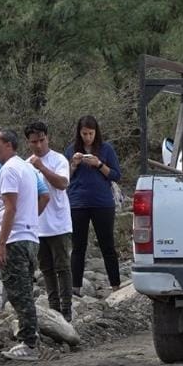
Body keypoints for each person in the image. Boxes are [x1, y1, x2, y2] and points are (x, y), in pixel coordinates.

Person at [0, 129, 49, 361]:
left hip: (15, 238)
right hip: (30, 237)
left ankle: (29, 343)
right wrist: (31, 221)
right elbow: (45, 196)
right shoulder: (27, 167)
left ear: (8, 145)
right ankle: (30, 337)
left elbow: (10, 208)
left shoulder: (9, 170)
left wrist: (1, 244)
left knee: (19, 292)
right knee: (24, 290)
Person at [64, 115, 122, 293]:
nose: (87, 137)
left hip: (102, 203)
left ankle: (115, 285)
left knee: (107, 246)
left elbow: (116, 175)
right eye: (84, 133)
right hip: (78, 203)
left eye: (90, 133)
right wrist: (73, 164)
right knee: (78, 247)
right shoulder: (71, 149)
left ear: (96, 132)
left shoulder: (106, 149)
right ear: (79, 133)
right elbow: (64, 178)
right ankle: (75, 288)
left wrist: (98, 164)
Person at [25, 121, 74, 321]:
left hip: (59, 222)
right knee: (46, 268)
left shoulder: (58, 159)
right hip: (38, 224)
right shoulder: (26, 163)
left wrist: (42, 168)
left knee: (63, 266)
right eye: (34, 142)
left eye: (42, 140)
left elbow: (62, 183)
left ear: (48, 138)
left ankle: (67, 310)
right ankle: (54, 308)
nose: (38, 145)